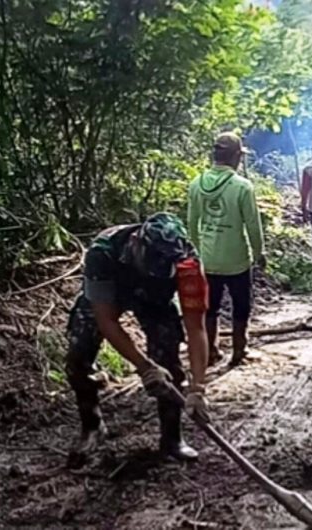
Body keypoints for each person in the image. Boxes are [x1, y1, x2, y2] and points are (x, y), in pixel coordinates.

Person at [66, 213, 210, 461]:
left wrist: (198, 387)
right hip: (110, 294)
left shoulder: (187, 263)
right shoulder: (103, 252)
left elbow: (196, 327)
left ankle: (172, 439)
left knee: (169, 362)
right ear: (136, 243)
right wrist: (144, 366)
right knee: (78, 356)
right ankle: (92, 425)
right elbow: (106, 320)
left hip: (155, 301)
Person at [188, 132, 265, 367]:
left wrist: (196, 253)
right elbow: (252, 224)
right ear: (235, 157)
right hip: (237, 259)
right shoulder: (242, 187)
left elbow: (192, 223)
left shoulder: (197, 183)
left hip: (208, 258)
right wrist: (259, 252)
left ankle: (211, 350)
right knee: (241, 305)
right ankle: (239, 351)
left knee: (209, 307)